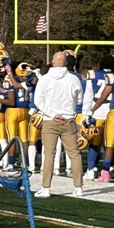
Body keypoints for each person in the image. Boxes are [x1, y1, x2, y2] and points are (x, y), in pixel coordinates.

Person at [32, 51, 84, 197]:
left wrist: (53, 114)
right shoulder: (74, 79)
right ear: (66, 63)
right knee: (74, 154)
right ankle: (78, 187)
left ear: (53, 62)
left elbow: (38, 101)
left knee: (49, 154)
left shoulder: (45, 79)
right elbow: (79, 100)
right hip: (68, 120)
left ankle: (46, 188)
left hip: (50, 120)